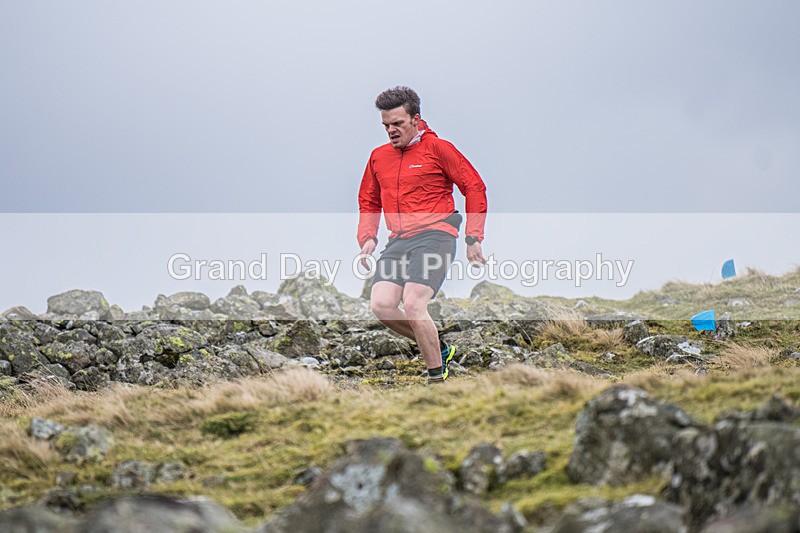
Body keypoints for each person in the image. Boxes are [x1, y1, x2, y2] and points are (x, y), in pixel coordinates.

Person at [357, 86, 488, 383]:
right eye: (386, 125)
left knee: (415, 304)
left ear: (416, 119)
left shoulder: (439, 149)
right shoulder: (378, 157)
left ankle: (436, 382)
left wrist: (473, 237)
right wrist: (367, 237)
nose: (391, 130)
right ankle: (439, 348)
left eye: (398, 124)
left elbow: (474, 187)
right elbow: (369, 200)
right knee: (382, 305)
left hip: (435, 235)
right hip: (398, 240)